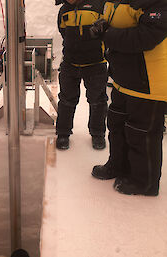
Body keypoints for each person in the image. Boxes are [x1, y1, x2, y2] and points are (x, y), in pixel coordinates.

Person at [90, 0, 167, 196]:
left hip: (147, 83)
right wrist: (102, 25)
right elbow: (118, 22)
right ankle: (118, 166)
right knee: (117, 126)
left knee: (141, 134)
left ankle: (144, 182)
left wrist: (107, 33)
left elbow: (146, 37)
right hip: (123, 79)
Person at [55, 0, 108, 150]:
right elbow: (63, 31)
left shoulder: (98, 6)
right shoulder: (64, 10)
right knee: (66, 100)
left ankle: (98, 134)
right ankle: (63, 133)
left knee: (98, 101)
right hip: (70, 63)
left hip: (95, 63)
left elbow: (107, 30)